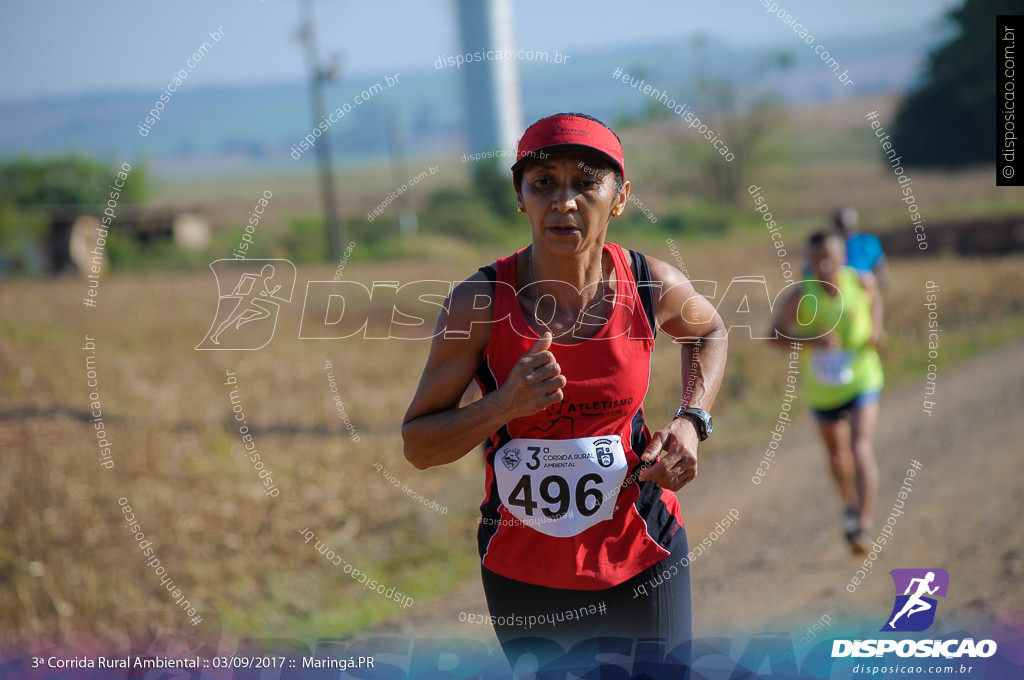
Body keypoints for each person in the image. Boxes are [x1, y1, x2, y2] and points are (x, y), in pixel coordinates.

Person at [402, 113, 727, 669]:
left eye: (586, 182)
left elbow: (710, 331)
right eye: (544, 182)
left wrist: (691, 421)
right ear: (520, 196)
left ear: (620, 197)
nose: (564, 200)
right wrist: (503, 404)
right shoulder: (478, 303)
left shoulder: (652, 285)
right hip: (525, 569)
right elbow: (419, 446)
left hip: (642, 547)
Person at [770, 231, 884, 554]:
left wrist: (876, 331)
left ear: (841, 257)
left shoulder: (861, 282)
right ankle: (850, 502)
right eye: (817, 258)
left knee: (861, 447)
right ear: (808, 260)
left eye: (829, 257)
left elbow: (876, 302)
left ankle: (862, 524)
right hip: (823, 390)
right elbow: (773, 336)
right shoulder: (799, 296)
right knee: (837, 456)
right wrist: (810, 342)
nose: (823, 264)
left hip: (863, 377)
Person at [833, 207, 890, 290]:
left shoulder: (868, 242)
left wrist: (882, 281)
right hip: (841, 288)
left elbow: (880, 264)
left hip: (865, 286)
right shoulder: (833, 244)